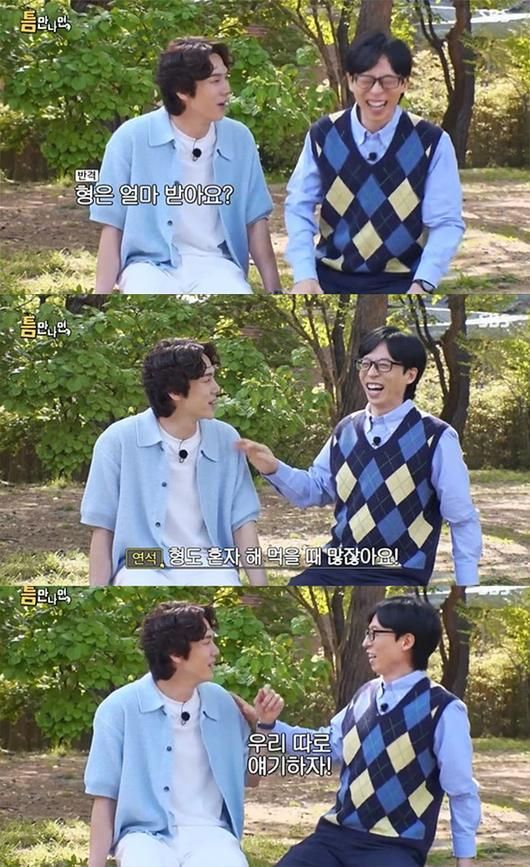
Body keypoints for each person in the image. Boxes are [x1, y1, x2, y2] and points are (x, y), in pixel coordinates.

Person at [240, 596, 481, 867]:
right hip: (334, 837)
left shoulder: (444, 709)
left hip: (395, 847)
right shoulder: (364, 695)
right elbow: (328, 746)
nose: (366, 642)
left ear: (406, 641)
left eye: (374, 634)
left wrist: (465, 860)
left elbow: (461, 790)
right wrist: (270, 724)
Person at [237, 326, 481, 585]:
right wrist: (272, 467)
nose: (371, 373)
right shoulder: (346, 429)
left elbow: (461, 517)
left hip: (397, 573)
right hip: (336, 564)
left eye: (384, 365)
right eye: (365, 363)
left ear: (410, 374)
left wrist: (466, 584)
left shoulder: (436, 436)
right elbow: (314, 490)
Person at [85, 601, 284, 867]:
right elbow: (104, 798)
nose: (216, 651)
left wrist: (264, 726)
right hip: (143, 836)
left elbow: (252, 778)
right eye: (207, 642)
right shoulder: (119, 709)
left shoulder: (222, 703)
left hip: (212, 834)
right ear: (175, 653)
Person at [91, 37, 282, 295]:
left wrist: (274, 292)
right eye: (215, 81)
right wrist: (100, 298)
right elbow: (112, 224)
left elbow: (255, 220)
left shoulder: (239, 139)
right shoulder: (131, 138)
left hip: (217, 264)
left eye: (226, 78)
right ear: (182, 90)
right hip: (148, 265)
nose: (226, 89)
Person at [285, 31, 465, 295]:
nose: (377, 91)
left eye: (388, 81)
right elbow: (298, 206)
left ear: (404, 83)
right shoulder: (323, 134)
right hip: (328, 277)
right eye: (366, 80)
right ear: (350, 81)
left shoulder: (432, 141)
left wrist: (423, 282)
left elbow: (446, 221)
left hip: (404, 281)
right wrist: (304, 275)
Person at [81, 338, 267, 585]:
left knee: (224, 581)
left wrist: (260, 588)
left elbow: (242, 522)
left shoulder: (226, 439)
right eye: (207, 380)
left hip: (207, 561)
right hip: (142, 563)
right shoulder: (118, 440)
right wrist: (98, 594)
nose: (217, 388)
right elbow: (103, 528)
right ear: (175, 391)